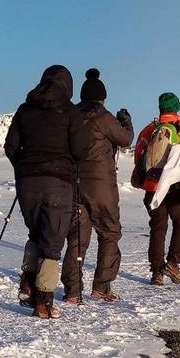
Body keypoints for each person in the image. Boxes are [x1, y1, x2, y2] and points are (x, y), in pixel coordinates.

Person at [4, 65, 92, 318]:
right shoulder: (71, 112)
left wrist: (24, 167)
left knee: (35, 233)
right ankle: (43, 302)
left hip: (27, 183)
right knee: (52, 242)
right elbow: (82, 151)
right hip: (59, 183)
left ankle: (28, 284)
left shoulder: (25, 109)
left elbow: (11, 147)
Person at [60, 69, 134, 302]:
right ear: (102, 98)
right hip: (102, 187)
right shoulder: (104, 117)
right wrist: (126, 122)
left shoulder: (69, 115)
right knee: (109, 233)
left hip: (74, 185)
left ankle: (72, 292)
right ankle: (101, 286)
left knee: (77, 237)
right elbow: (125, 139)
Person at [132, 92, 180, 285]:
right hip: (177, 188)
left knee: (158, 227)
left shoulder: (149, 129)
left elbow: (139, 157)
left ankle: (157, 272)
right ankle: (173, 264)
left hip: (153, 188)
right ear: (177, 107)